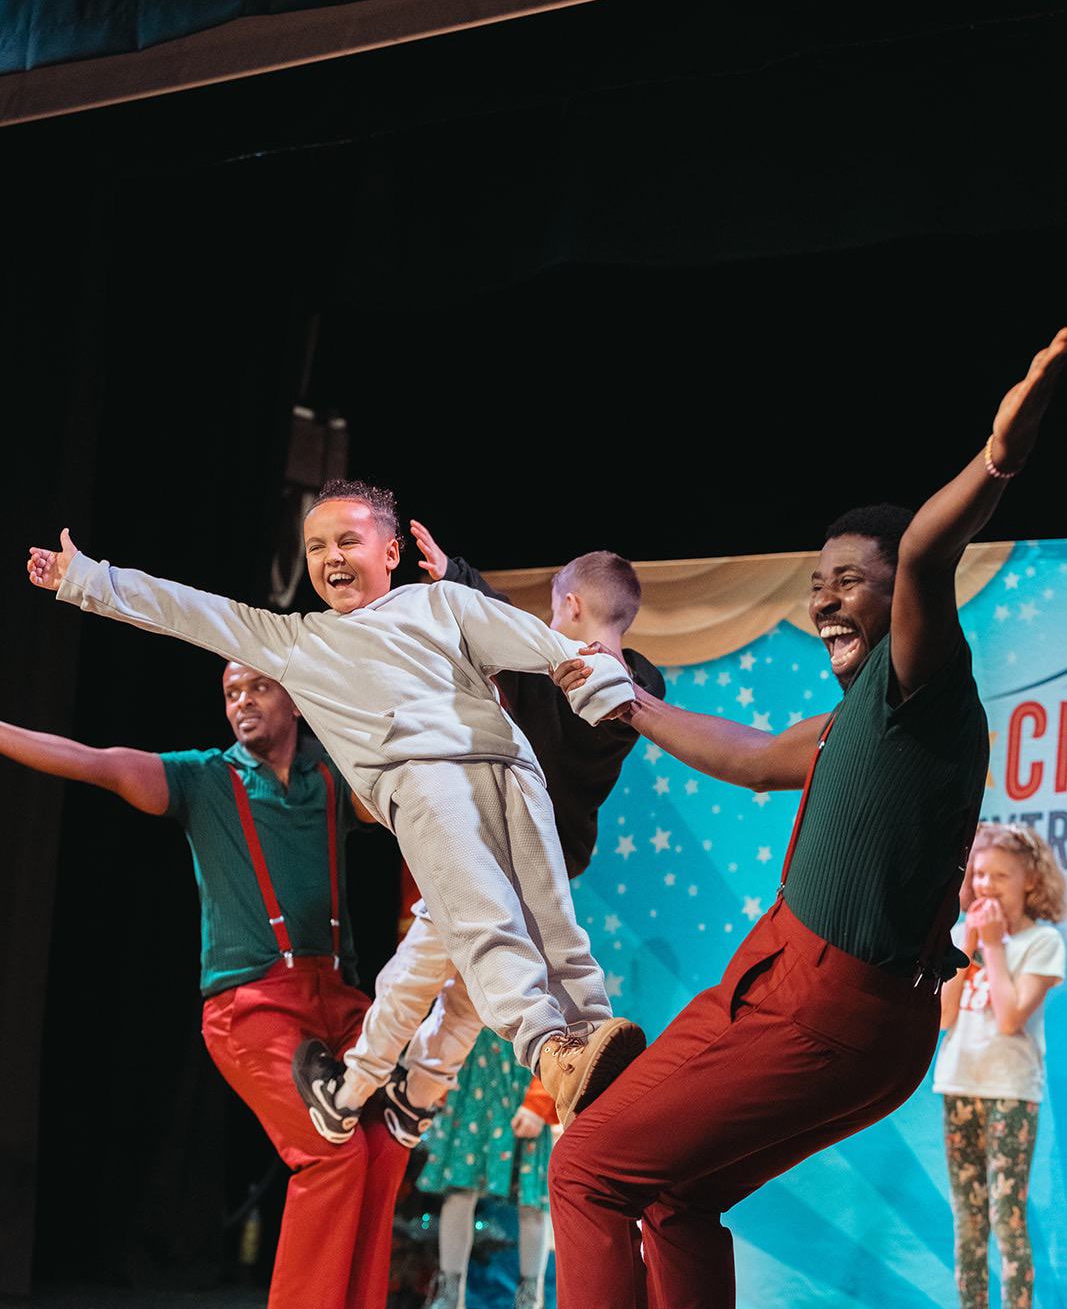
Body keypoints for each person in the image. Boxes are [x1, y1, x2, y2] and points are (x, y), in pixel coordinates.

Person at [510, 327, 1067, 1309]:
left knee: (588, 1164)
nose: (824, 592)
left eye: (849, 577)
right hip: (850, 1014)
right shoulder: (857, 713)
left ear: (897, 595)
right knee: (675, 1196)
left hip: (817, 999)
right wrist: (626, 701)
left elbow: (928, 551)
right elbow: (751, 757)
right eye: (817, 576)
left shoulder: (920, 680)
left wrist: (999, 450)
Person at [27, 483, 643, 1130]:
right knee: (483, 921)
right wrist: (88, 579)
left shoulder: (441, 603)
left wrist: (595, 682)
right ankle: (549, 1048)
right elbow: (190, 611)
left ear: (391, 552)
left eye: (348, 540)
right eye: (316, 547)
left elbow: (541, 645)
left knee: (555, 927)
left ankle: (595, 1050)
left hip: (512, 771)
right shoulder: (299, 641)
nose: (332, 557)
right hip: (426, 785)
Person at [0, 662, 405, 1309]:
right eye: (230, 693)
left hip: (338, 996)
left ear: (295, 698)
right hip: (252, 1005)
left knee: (383, 1138)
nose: (241, 702)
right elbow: (95, 762)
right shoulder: (203, 779)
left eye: (257, 688)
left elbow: (412, 793)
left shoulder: (332, 777)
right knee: (329, 1145)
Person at [306, 532, 667, 1152]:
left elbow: (497, 626)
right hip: (553, 862)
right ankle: (417, 1099)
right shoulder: (636, 689)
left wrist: (459, 577)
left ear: (572, 605)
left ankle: (348, 1091)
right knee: (477, 989)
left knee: (420, 966)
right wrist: (460, 575)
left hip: (491, 844)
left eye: (553, 609)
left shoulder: (553, 674)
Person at [923, 823, 1065, 1309]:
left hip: (1010, 1093)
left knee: (1007, 1219)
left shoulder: (1042, 941)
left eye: (1000, 875)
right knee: (968, 1222)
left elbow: (1009, 1019)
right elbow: (943, 1017)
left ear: (1029, 881)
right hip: (959, 1083)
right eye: (979, 873)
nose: (985, 884)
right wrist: (969, 948)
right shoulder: (966, 934)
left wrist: (996, 947)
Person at [408, 1028, 557, 1309]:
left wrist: (540, 1102)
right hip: (472, 1081)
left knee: (532, 1197)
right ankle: (450, 1299)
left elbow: (559, 1032)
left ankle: (531, 1304)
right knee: (458, 1190)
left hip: (522, 1082)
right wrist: (439, 1084)